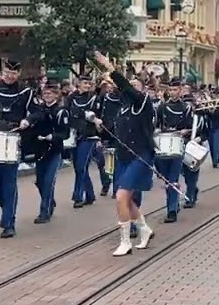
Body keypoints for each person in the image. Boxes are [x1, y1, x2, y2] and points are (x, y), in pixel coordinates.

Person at [90, 51, 155, 257]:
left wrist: (110, 68)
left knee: (120, 197)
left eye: (136, 85)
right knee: (129, 199)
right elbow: (114, 130)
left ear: (142, 89)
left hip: (141, 154)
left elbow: (127, 88)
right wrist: (99, 127)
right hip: (124, 156)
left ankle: (125, 241)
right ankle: (144, 229)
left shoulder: (144, 103)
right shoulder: (123, 109)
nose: (132, 87)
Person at [0, 61, 34, 239]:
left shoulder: (26, 91)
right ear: (2, 72)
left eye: (13, 73)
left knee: (9, 182)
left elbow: (36, 111)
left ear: (18, 74)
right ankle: (8, 210)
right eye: (6, 72)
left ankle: (9, 223)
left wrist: (28, 121)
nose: (9, 76)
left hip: (14, 136)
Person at [26, 82, 68, 224]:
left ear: (56, 95)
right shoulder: (39, 110)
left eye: (50, 93)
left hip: (54, 151)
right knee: (40, 182)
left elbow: (65, 133)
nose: (47, 96)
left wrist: (53, 136)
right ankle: (50, 201)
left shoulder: (61, 111)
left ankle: (44, 212)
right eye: (45, 94)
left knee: (49, 182)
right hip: (40, 150)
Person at [155, 78, 195, 223]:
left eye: (175, 90)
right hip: (163, 146)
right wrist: (158, 131)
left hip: (178, 144)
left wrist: (185, 132)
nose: (173, 93)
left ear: (180, 90)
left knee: (173, 179)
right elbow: (156, 125)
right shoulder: (162, 107)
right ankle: (174, 203)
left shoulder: (186, 107)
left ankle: (171, 210)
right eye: (170, 90)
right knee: (166, 179)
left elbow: (192, 127)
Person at [67, 74, 101, 208]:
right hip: (75, 135)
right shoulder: (71, 97)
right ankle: (90, 194)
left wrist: (90, 117)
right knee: (79, 168)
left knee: (81, 166)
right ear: (78, 83)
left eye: (89, 83)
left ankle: (78, 196)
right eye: (84, 83)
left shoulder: (94, 98)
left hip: (89, 136)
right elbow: (68, 112)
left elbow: (95, 115)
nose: (87, 86)